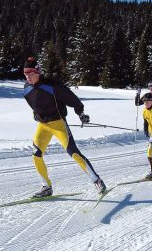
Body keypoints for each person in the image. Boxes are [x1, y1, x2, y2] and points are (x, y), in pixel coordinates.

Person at [22, 56, 106, 198]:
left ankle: (97, 180)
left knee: (73, 152)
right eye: (26, 74)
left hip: (58, 123)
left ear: (38, 72)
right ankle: (46, 187)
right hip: (43, 125)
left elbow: (73, 100)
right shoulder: (26, 90)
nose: (28, 77)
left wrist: (81, 114)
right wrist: (37, 114)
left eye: (31, 73)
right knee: (36, 155)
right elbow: (35, 104)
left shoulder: (52, 86)